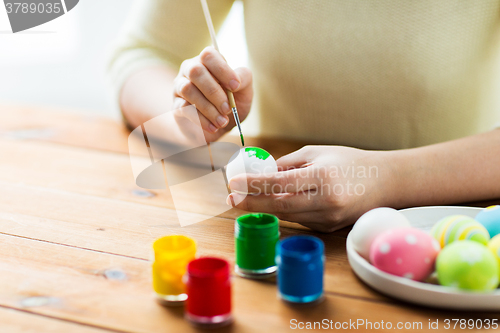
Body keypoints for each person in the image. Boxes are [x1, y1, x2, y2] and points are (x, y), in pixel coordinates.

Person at [109, 0, 500, 232]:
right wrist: (188, 117)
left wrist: (386, 177)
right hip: (280, 230)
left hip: (452, 226)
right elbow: (140, 54)